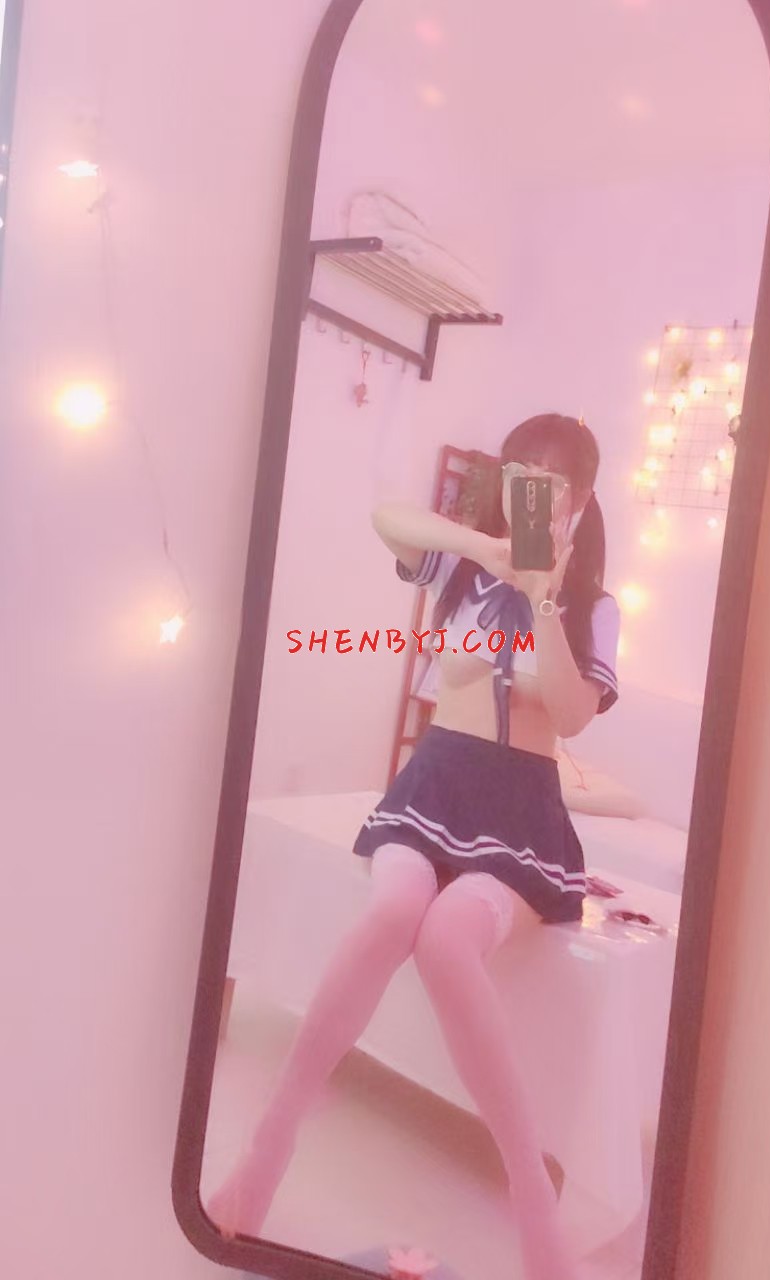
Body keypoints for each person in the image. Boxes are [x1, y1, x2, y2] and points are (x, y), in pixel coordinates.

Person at [206, 413, 620, 1280]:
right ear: (506, 481)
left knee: (446, 939)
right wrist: (493, 548)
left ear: (582, 500)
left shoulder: (593, 607)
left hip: (520, 810)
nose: (538, 491)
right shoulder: (463, 566)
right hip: (433, 785)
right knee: (396, 908)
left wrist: (544, 593)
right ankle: (269, 1148)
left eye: (557, 483)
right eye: (524, 473)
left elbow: (573, 713)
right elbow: (387, 518)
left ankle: (531, 1200)